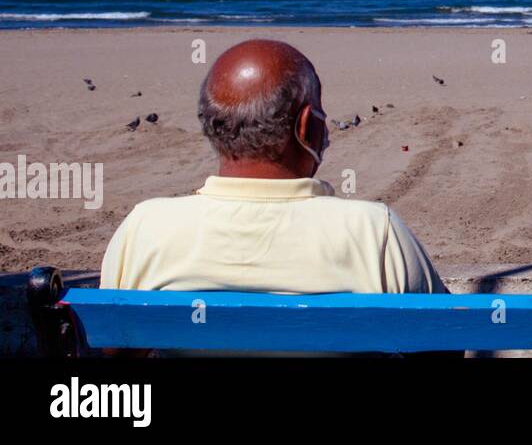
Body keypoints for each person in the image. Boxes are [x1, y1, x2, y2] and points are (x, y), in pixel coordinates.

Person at [100, 39, 446, 295]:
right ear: (307, 125)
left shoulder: (145, 228)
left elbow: (114, 347)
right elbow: (440, 346)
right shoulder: (374, 232)